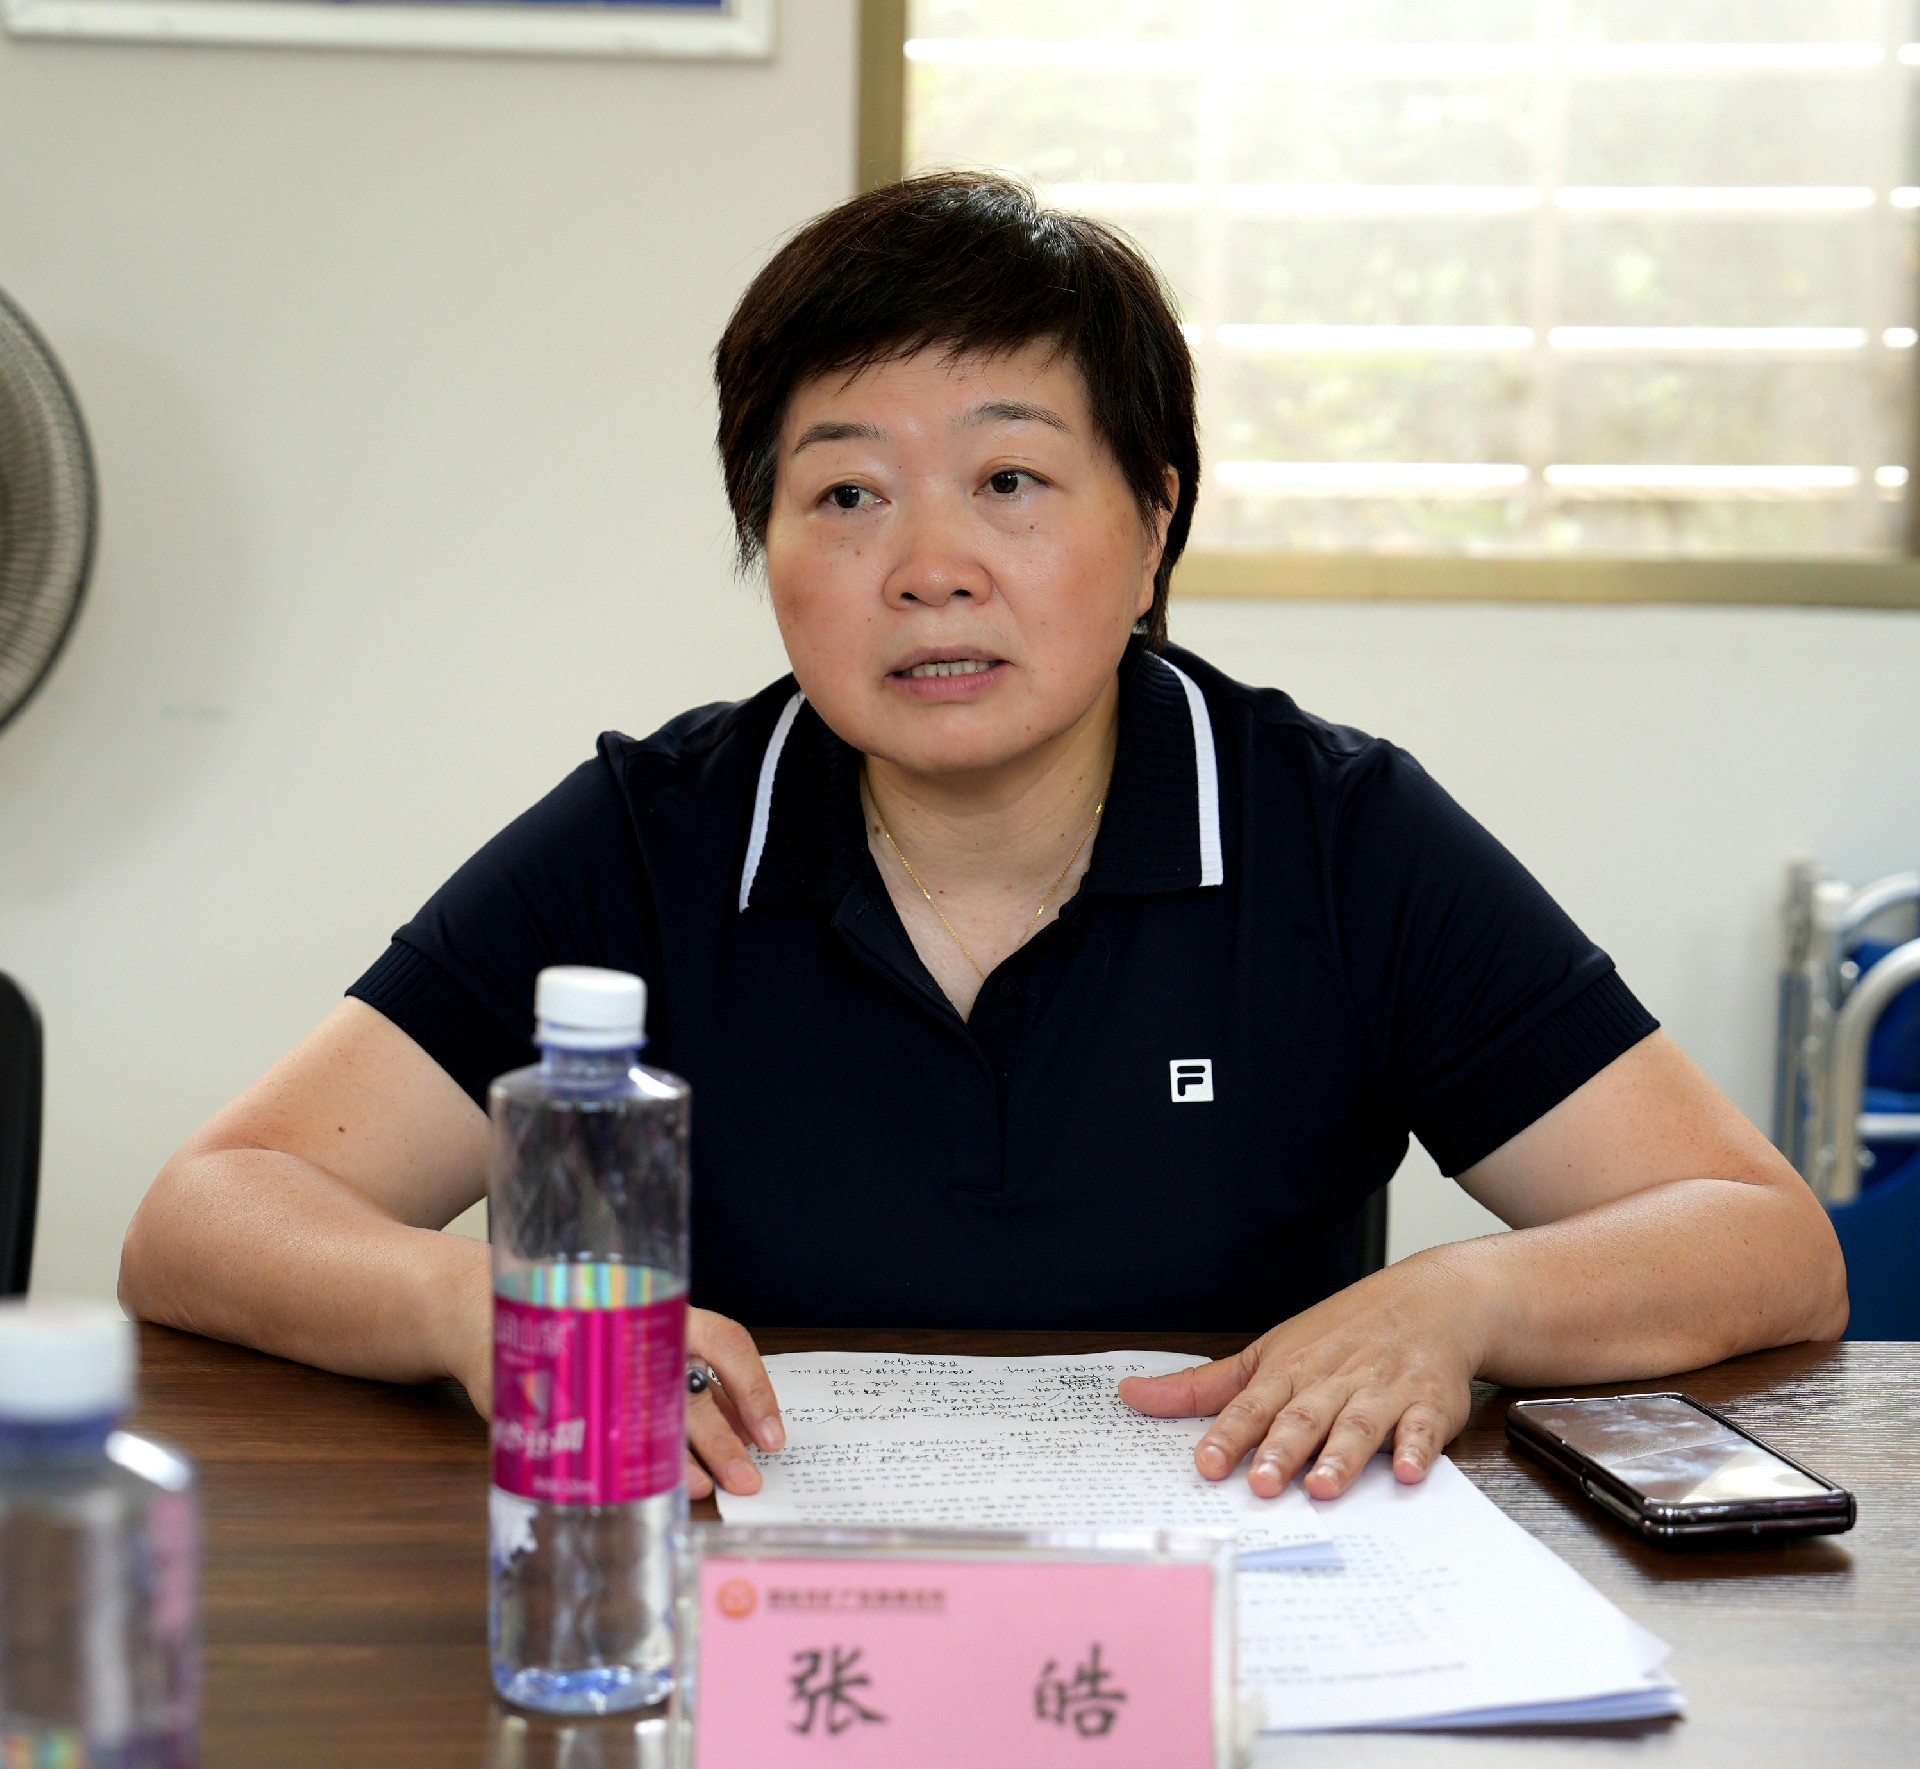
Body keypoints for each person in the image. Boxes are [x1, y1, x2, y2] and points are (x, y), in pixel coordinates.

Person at [119, 173, 1847, 1510]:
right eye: (846, 495)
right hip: (751, 1619)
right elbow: (208, 1213)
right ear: (769, 547)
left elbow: (1762, 1239)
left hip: (1231, 1624)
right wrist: (477, 1308)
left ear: (1153, 521)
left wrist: (1465, 1303)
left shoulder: (1334, 831)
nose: (929, 568)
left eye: (1010, 482)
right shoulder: (653, 835)